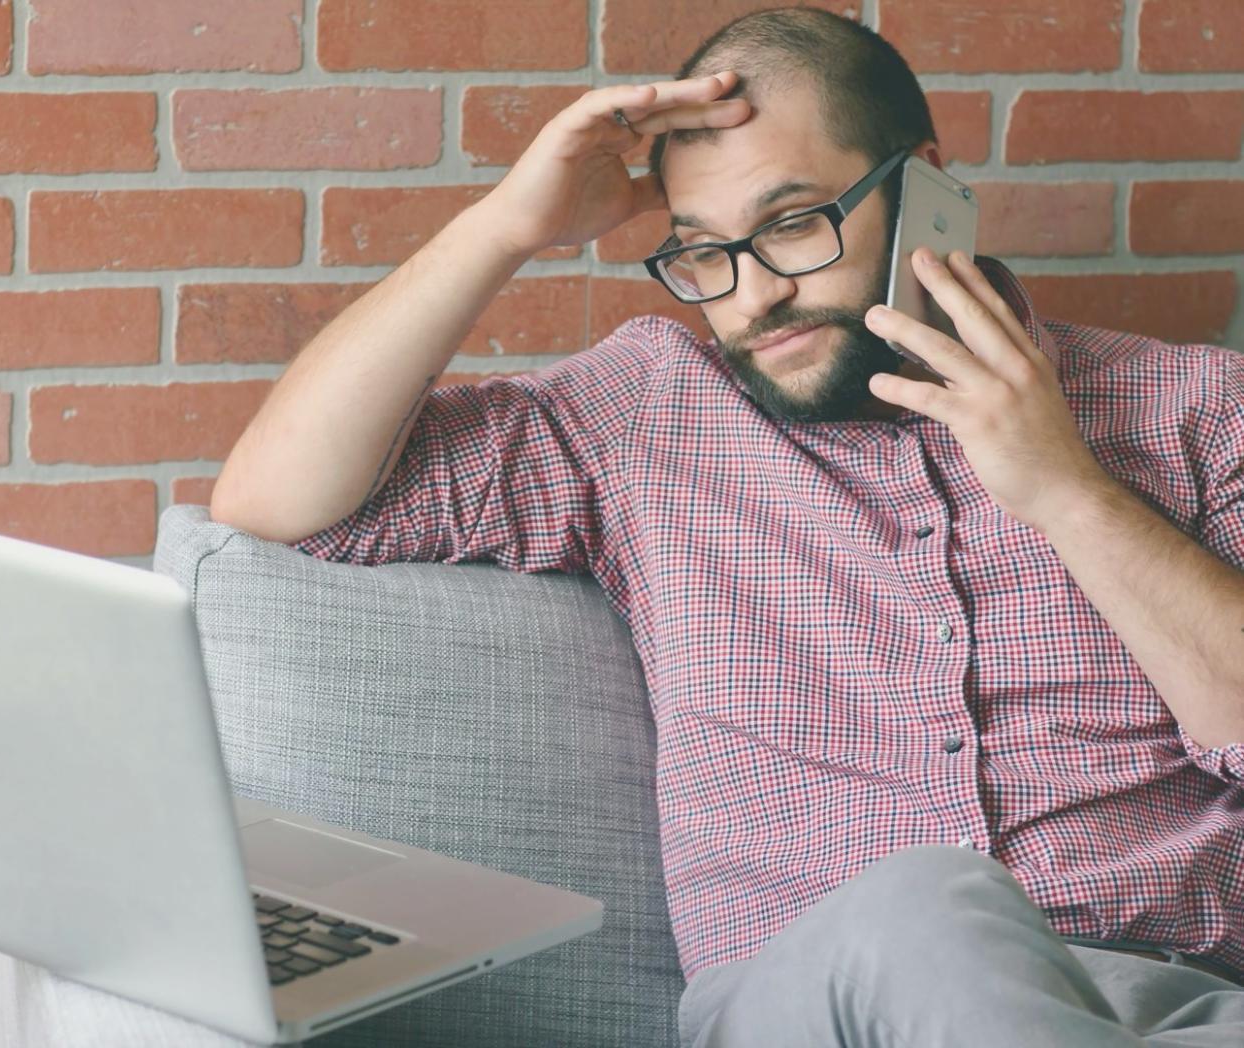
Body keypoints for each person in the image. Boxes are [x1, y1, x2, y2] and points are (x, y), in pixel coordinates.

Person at [210, 8, 1244, 1045]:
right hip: (817, 1004)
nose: (751, 297)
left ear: (922, 186)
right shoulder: (644, 417)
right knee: (931, 905)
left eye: (793, 224)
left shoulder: (1194, 409)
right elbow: (277, 499)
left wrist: (1066, 491)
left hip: (1184, 1002)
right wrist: (504, 226)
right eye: (703, 254)